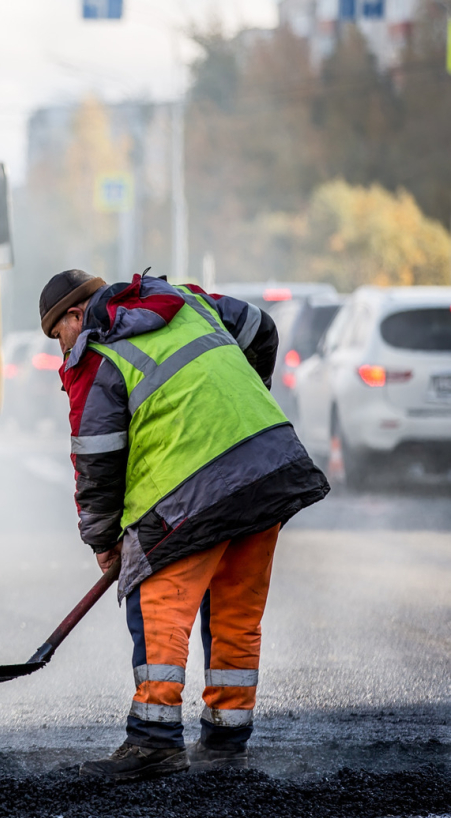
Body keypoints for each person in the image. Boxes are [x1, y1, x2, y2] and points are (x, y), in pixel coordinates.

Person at [39, 269, 329, 782]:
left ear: (76, 316)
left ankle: (153, 743)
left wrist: (105, 543)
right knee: (236, 610)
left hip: (191, 493)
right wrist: (241, 398)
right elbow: (262, 329)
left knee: (156, 607)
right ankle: (225, 744)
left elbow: (98, 463)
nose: (61, 348)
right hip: (265, 466)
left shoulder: (97, 355)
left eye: (56, 334)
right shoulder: (188, 301)